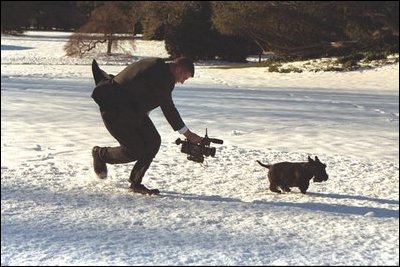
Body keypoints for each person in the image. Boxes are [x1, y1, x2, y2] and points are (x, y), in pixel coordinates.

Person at [90, 57, 203, 195]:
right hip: (114, 110)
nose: (182, 82)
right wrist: (188, 134)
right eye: (184, 77)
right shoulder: (161, 75)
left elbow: (140, 90)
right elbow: (168, 108)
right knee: (134, 150)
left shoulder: (158, 66)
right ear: (178, 69)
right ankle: (100, 154)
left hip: (131, 110)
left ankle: (135, 183)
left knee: (153, 140)